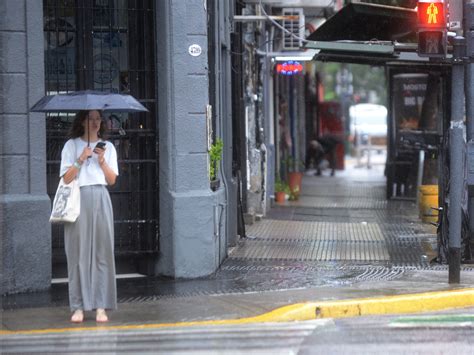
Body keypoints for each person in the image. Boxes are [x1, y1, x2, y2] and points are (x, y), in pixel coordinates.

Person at [60, 110, 119, 323]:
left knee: (103, 252)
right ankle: (78, 306)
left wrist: (101, 161)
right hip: (78, 198)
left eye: (98, 118)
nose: (95, 122)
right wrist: (80, 159)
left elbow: (112, 180)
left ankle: (100, 306)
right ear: (82, 121)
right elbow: (66, 179)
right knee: (77, 254)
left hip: (101, 197)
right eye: (90, 118)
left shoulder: (108, 147)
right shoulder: (71, 145)